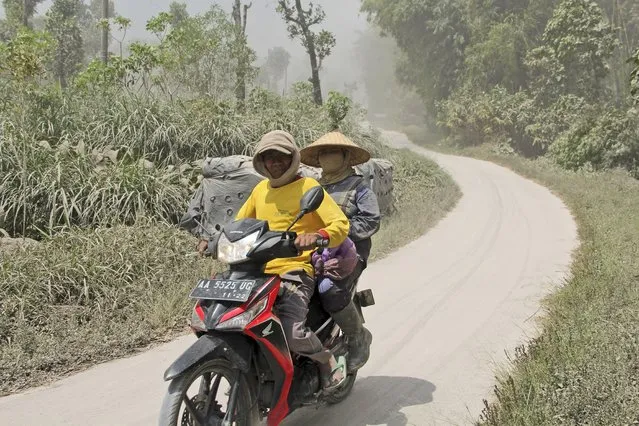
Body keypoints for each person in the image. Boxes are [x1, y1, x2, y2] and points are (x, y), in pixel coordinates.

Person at [234, 129, 351, 389]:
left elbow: (340, 224)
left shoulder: (307, 186)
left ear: (293, 158)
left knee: (291, 331)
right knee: (233, 320)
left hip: (295, 270)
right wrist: (216, 238)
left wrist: (318, 234)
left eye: (281, 157)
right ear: (261, 162)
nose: (275, 163)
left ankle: (327, 362)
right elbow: (239, 224)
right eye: (268, 158)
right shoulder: (259, 190)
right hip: (256, 270)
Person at [300, 131, 381, 371]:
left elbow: (371, 221)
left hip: (349, 254)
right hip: (313, 251)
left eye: (333, 152)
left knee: (328, 289)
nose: (327, 157)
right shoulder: (311, 187)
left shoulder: (359, 187)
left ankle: (357, 338)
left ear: (345, 157)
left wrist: (338, 233)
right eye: (323, 153)